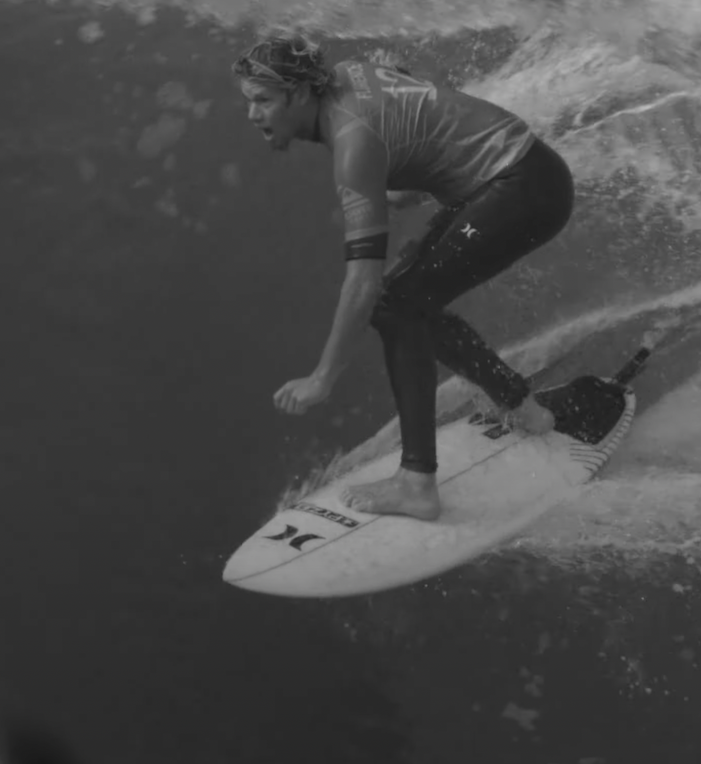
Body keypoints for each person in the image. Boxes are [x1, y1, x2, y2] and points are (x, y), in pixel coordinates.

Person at [235, 35, 575, 520]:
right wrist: (407, 178)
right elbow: (402, 80)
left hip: (520, 191)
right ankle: (525, 410)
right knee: (410, 300)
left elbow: (361, 284)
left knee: (395, 305)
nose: (253, 115)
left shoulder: (354, 149)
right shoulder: (347, 73)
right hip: (523, 175)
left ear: (302, 93)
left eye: (263, 101)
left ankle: (417, 485)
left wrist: (322, 377)